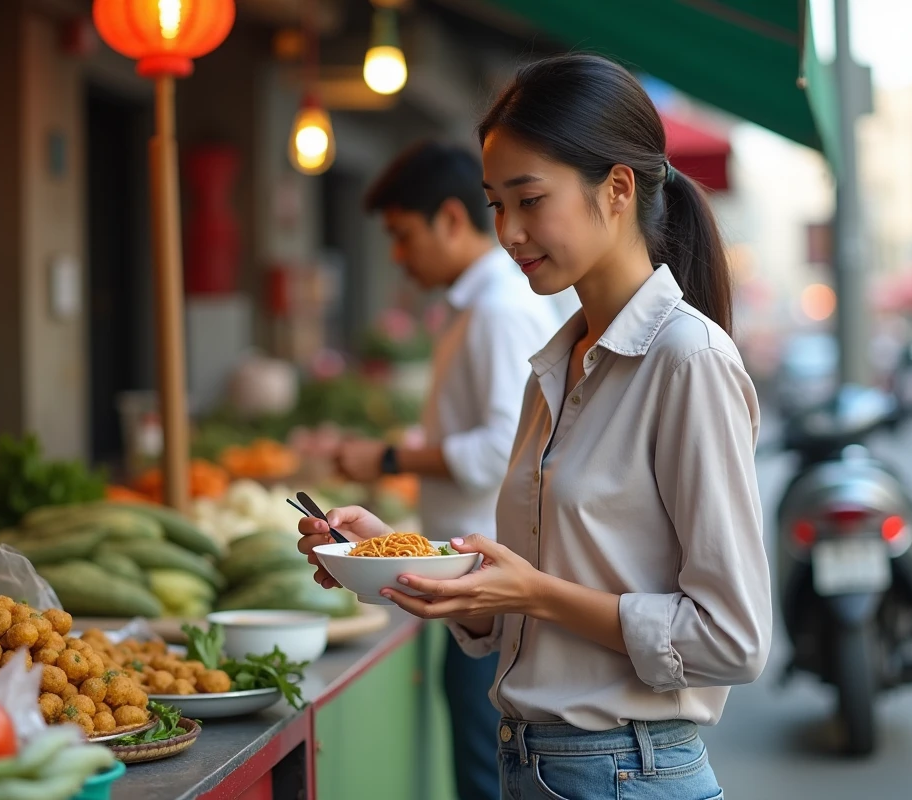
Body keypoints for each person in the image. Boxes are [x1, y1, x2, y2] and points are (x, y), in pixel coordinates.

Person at [303, 54, 770, 799]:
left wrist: (531, 595)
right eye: (494, 204)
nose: (509, 232)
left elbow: (731, 639)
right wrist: (391, 557)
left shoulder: (688, 360)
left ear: (616, 189)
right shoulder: (557, 366)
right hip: (541, 765)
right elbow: (528, 597)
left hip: (625, 771)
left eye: (528, 199)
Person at [335, 140, 566, 800]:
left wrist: (389, 458)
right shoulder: (478, 305)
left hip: (488, 582)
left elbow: (501, 448)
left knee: (485, 773)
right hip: (474, 582)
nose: (397, 256)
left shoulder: (499, 308)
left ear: (450, 219)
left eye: (403, 236)